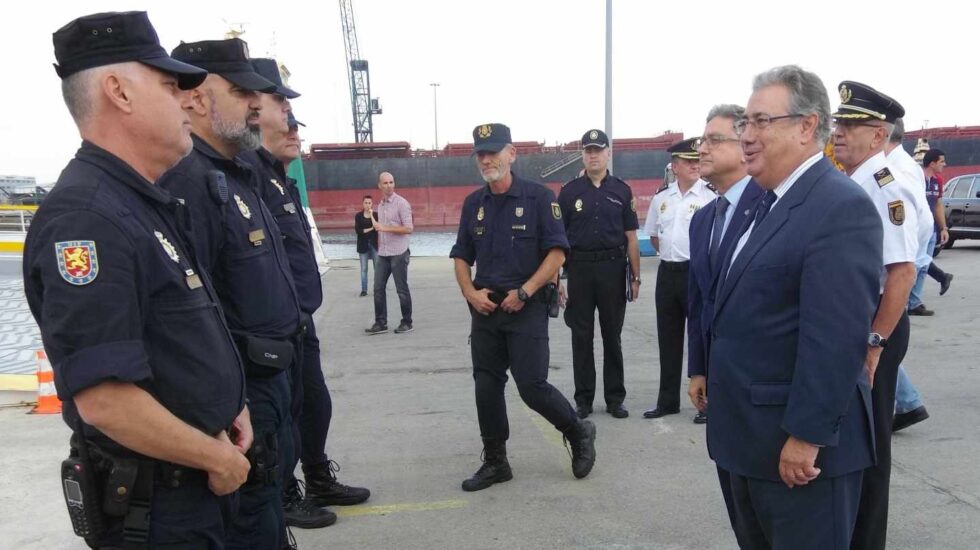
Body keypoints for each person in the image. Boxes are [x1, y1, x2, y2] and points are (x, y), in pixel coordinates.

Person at [24, 11, 251, 548]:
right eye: (171, 86)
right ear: (118, 92)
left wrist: (228, 406)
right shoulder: (89, 220)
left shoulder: (142, 202)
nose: (185, 102)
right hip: (160, 510)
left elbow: (175, 339)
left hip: (194, 488)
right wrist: (214, 456)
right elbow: (106, 399)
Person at [710, 65, 881, 548]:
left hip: (800, 456)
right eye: (745, 123)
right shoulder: (765, 202)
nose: (747, 135)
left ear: (807, 126)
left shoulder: (837, 206)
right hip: (748, 443)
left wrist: (806, 437)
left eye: (761, 121)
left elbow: (836, 339)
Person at [161, 38, 302, 548]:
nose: (256, 104)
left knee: (268, 509)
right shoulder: (189, 182)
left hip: (274, 379)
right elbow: (193, 311)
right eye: (240, 91)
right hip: (242, 395)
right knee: (252, 522)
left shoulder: (240, 174)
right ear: (196, 98)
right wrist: (229, 401)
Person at [244, 59, 371, 531]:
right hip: (277, 321)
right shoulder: (251, 177)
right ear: (256, 118)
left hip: (300, 316)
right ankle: (287, 490)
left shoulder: (281, 180)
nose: (297, 132)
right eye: (288, 120)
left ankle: (317, 476)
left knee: (314, 402)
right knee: (285, 411)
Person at [450, 123, 597, 492]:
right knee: (486, 386)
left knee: (531, 386)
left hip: (526, 305)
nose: (487, 160)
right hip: (486, 308)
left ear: (511, 154)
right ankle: (496, 462)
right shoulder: (473, 204)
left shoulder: (538, 198)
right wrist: (470, 293)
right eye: (481, 154)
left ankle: (578, 431)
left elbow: (557, 253)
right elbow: (461, 256)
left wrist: (526, 292)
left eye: (494, 152)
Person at [830, 80, 920, 550]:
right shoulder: (853, 181)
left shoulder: (886, 190)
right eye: (839, 123)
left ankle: (867, 541)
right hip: (859, 323)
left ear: (879, 135)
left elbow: (902, 274)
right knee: (854, 439)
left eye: (851, 125)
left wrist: (875, 342)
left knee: (872, 444)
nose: (839, 132)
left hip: (876, 326)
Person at [685, 103, 763, 548]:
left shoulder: (768, 207)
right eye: (703, 140)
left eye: (715, 140)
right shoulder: (702, 219)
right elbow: (699, 303)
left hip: (755, 383)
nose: (703, 149)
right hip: (719, 382)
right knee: (737, 503)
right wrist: (699, 367)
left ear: (744, 144)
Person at [556, 129, 640, 420]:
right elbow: (557, 241)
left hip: (612, 269)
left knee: (612, 336)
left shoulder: (621, 190)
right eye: (588, 150)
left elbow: (631, 237)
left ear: (608, 153)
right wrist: (556, 279)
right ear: (582, 154)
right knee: (581, 336)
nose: (593, 155)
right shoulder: (568, 193)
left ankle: (615, 398)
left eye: (597, 150)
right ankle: (584, 399)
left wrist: (635, 277)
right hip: (579, 269)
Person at [642, 137, 716, 419]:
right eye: (688, 162)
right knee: (668, 338)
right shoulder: (662, 198)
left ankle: (706, 403)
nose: (695, 166)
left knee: (700, 336)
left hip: (696, 273)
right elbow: (654, 236)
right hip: (668, 273)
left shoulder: (710, 196)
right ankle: (667, 401)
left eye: (697, 161)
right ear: (675, 166)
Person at [884, 119, 931, 432]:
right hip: (896, 269)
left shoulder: (894, 172)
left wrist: (910, 263)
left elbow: (915, 221)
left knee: (878, 345)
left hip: (891, 276)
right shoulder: (895, 166)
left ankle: (909, 401)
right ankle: (909, 400)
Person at [365, 171, 414, 335]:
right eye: (385, 183)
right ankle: (380, 323)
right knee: (378, 288)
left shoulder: (402, 204)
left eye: (391, 182)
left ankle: (407, 322)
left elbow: (409, 228)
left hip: (399, 252)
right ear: (379, 185)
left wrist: (385, 228)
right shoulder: (381, 205)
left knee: (401, 289)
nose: (389, 186)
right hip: (383, 253)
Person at [921, 149, 954, 294]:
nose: (945, 164)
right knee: (918, 261)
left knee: (922, 265)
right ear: (932, 163)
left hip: (932, 230)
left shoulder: (938, 180)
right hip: (918, 229)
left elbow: (938, 205)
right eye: (942, 161)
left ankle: (915, 303)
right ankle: (942, 276)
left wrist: (943, 228)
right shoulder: (916, 179)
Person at [355, 195, 379, 296]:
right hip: (363, 245)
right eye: (366, 203)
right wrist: (371, 229)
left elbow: (377, 227)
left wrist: (372, 215)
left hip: (374, 245)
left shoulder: (376, 215)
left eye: (369, 203)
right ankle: (364, 290)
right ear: (363, 203)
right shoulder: (358, 216)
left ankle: (378, 289)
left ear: (372, 204)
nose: (367, 205)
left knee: (377, 268)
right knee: (364, 269)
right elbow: (358, 231)